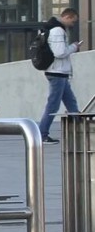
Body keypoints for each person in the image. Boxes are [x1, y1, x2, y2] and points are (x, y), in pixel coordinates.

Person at [39, 8, 82, 144]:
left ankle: (81, 129)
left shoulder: (55, 28)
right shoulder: (57, 30)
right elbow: (60, 52)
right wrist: (74, 47)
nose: (73, 24)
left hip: (59, 72)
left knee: (71, 103)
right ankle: (42, 134)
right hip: (57, 72)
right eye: (73, 21)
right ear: (68, 17)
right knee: (53, 105)